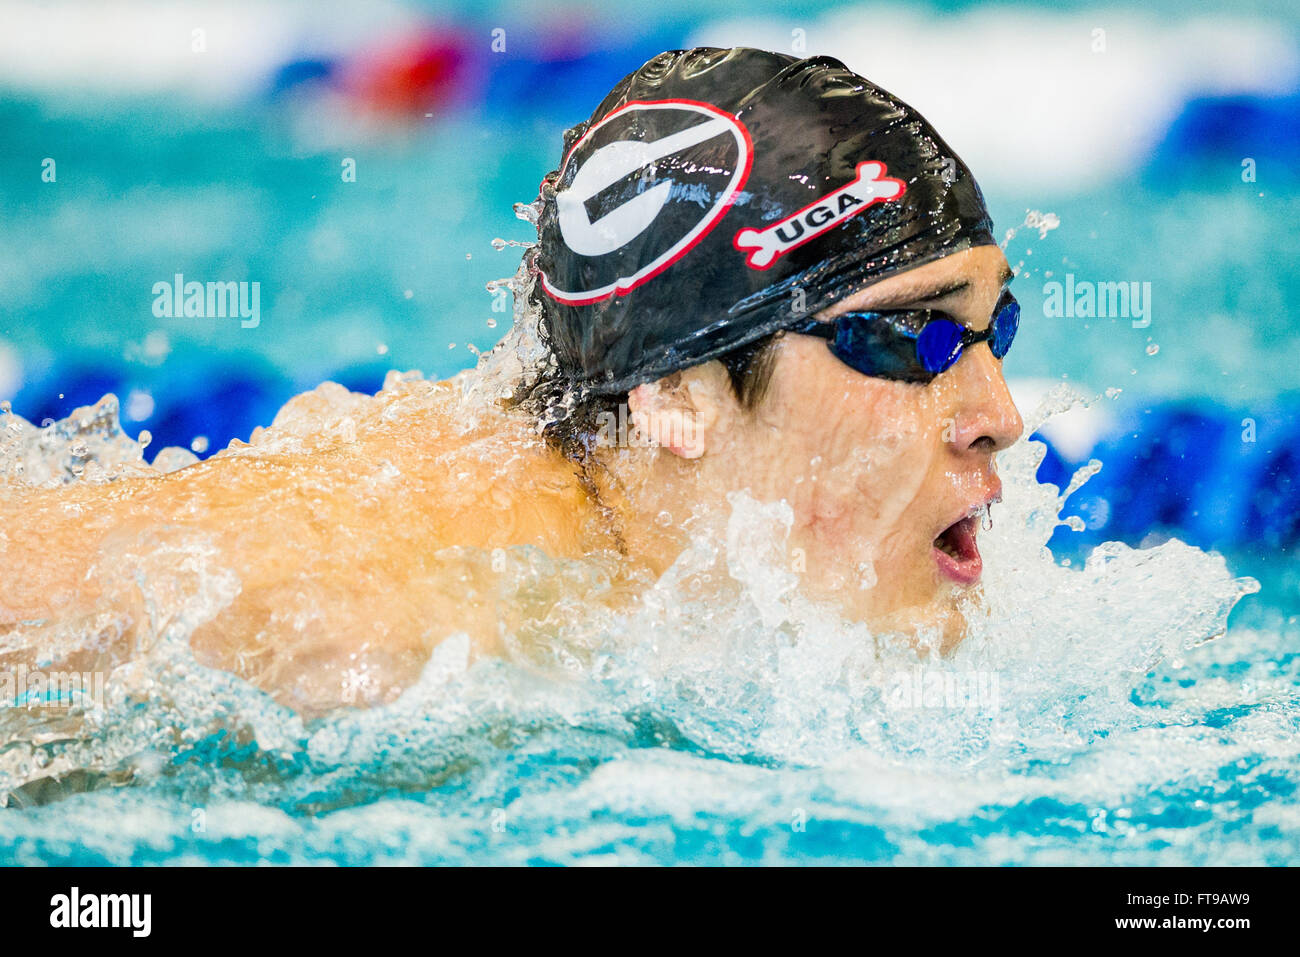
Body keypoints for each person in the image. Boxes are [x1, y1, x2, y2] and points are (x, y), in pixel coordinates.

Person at [0, 47, 1022, 717]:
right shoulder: (385, 650)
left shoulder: (628, 588)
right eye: (909, 336)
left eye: (991, 328)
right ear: (675, 393)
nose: (999, 417)